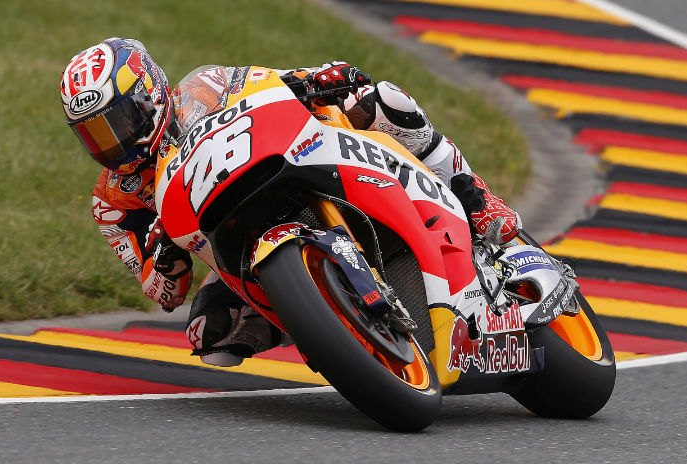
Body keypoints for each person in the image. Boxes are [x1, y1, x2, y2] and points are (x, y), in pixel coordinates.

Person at [60, 37, 521, 366]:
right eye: (94, 135)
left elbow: (271, 85)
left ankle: (476, 199)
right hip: (233, 239)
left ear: (149, 95)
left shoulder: (200, 89)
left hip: (292, 159)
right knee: (208, 332)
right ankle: (321, 323)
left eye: (117, 121)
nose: (113, 142)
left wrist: (317, 78)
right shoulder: (113, 202)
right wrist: (165, 262)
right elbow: (162, 293)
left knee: (381, 100)